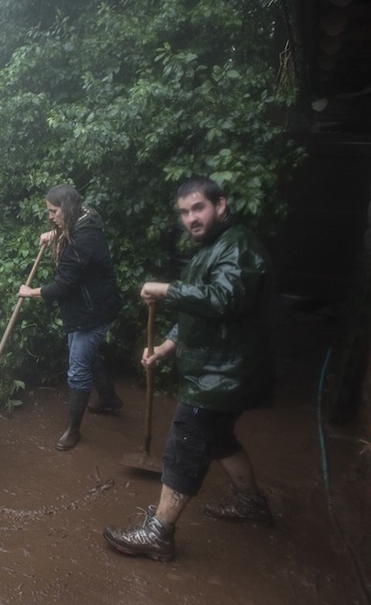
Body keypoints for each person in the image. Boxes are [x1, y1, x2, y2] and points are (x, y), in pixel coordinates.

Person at [102, 176, 275, 562]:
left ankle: (160, 533)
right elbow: (201, 312)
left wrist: (165, 289)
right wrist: (164, 347)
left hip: (223, 375)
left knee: (185, 442)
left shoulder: (238, 248)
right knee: (219, 439)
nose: (191, 218)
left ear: (221, 205)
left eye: (198, 207)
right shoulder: (215, 248)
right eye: (184, 212)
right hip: (224, 370)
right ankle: (251, 502)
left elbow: (224, 300)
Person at [18, 184, 124, 450]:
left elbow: (63, 286)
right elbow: (69, 229)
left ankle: (73, 431)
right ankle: (109, 398)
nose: (51, 216)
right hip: (90, 305)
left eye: (54, 212)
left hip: (91, 312)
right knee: (86, 355)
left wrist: (30, 292)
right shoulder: (85, 217)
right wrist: (53, 234)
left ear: (67, 208)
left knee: (78, 370)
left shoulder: (81, 242)